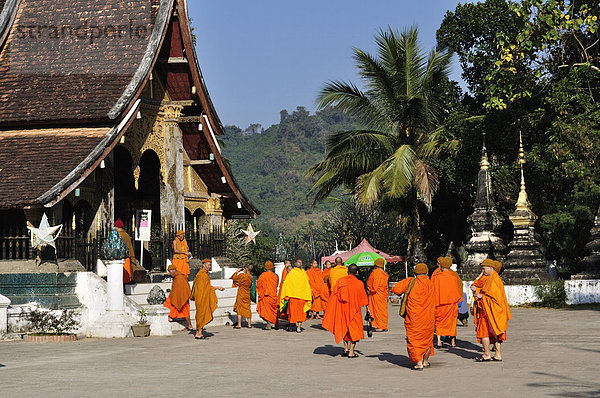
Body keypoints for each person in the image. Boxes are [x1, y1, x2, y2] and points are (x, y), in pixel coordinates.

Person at [391, 263, 435, 371]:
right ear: (427, 272)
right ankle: (425, 361)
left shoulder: (410, 281)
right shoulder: (431, 283)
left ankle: (418, 363)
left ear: (415, 273)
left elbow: (395, 289)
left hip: (414, 317)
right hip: (428, 317)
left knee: (414, 340)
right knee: (427, 340)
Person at [322, 264, 369, 358]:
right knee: (354, 330)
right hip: (354, 310)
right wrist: (368, 309)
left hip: (342, 309)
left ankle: (345, 348)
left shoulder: (340, 281)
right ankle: (351, 352)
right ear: (356, 272)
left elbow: (334, 296)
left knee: (344, 327)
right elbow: (364, 299)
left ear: (347, 271)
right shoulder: (359, 283)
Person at [470, 259, 511, 362]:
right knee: (495, 332)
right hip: (491, 310)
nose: (482, 271)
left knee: (485, 332)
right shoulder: (490, 278)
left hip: (490, 310)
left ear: (491, 268)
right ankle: (497, 355)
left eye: (483, 269)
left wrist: (480, 296)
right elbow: (482, 289)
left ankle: (487, 354)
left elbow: (495, 298)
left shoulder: (494, 279)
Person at [431, 256, 463, 348]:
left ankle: (439, 342)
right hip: (452, 304)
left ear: (440, 266)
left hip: (440, 304)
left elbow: (432, 289)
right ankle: (453, 342)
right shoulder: (453, 276)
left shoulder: (436, 276)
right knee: (452, 322)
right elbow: (457, 288)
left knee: (439, 322)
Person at [190, 258, 225, 339]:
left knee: (201, 314)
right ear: (203, 265)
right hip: (201, 297)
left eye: (210, 265)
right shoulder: (201, 274)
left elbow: (205, 287)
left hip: (203, 296)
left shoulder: (203, 274)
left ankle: (200, 333)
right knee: (201, 314)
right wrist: (217, 288)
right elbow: (204, 288)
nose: (209, 266)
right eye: (208, 265)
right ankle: (198, 334)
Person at [279, 259, 312, 333]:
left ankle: (291, 327)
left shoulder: (291, 273)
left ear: (294, 266)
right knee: (301, 313)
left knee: (292, 313)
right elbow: (307, 284)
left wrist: (286, 295)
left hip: (293, 297)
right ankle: (299, 327)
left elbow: (286, 284)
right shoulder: (303, 273)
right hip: (302, 297)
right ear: (301, 267)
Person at [163, 264, 193, 330]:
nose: (169, 273)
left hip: (183, 297)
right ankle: (170, 316)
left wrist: (182, 296)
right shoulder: (176, 277)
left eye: (170, 271)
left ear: (173, 270)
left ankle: (190, 325)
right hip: (176, 296)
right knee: (168, 302)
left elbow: (185, 287)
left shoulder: (180, 277)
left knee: (185, 312)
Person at [367, 257, 389, 332]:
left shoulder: (376, 272)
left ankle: (380, 326)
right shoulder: (385, 273)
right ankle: (384, 325)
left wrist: (370, 288)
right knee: (383, 310)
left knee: (378, 310)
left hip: (376, 294)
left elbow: (374, 286)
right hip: (383, 294)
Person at [256, 261, 279, 330]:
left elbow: (259, 285)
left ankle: (268, 325)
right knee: (274, 310)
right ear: (272, 267)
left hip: (266, 295)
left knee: (267, 310)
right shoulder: (275, 276)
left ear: (265, 267)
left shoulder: (263, 275)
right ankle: (276, 323)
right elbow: (276, 285)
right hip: (273, 295)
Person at [231, 264, 254, 328]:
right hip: (247, 294)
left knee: (239, 309)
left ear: (246, 269)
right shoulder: (251, 277)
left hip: (241, 293)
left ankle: (239, 324)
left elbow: (235, 278)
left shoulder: (242, 276)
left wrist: (237, 271)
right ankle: (249, 324)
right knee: (248, 308)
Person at [114, 219, 136, 284]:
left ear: (117, 227)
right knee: (126, 278)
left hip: (120, 260)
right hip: (127, 259)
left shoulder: (117, 235)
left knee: (119, 279)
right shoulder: (126, 235)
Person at [277, 260, 293, 324]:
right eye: (289, 263)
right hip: (286, 291)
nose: (290, 264)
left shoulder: (287, 271)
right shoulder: (285, 271)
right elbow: (284, 281)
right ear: (285, 264)